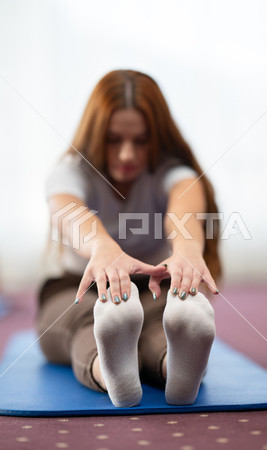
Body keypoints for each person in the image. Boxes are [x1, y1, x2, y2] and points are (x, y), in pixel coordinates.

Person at [35, 69, 222, 408]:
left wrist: (188, 248)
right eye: (113, 139)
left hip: (151, 287)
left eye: (140, 141)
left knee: (160, 322)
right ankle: (123, 373)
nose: (126, 155)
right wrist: (103, 248)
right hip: (74, 288)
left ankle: (174, 369)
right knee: (87, 321)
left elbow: (184, 212)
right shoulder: (69, 171)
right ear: (95, 135)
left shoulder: (172, 172)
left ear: (158, 138)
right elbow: (70, 214)